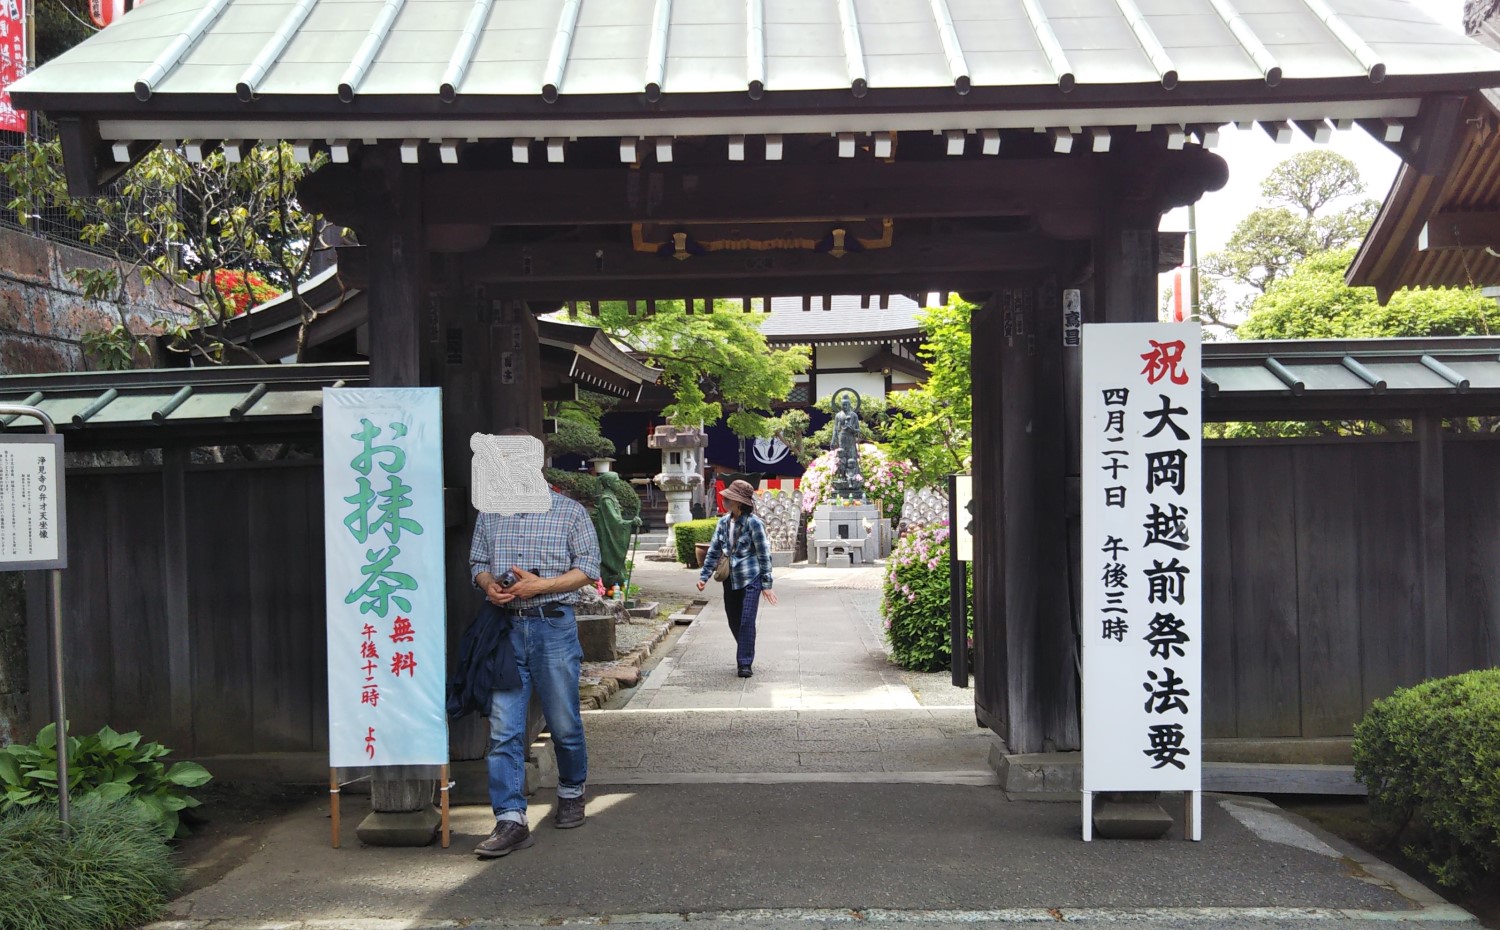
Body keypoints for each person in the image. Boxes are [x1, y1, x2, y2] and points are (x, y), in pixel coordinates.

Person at [468, 456, 601, 860]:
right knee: (503, 729)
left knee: (563, 720)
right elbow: (476, 564)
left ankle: (572, 790)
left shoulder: (570, 512)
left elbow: (589, 569)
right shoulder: (489, 514)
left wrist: (542, 585)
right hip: (505, 629)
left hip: (553, 626)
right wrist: (490, 585)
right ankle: (510, 818)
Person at [696, 479, 778, 677]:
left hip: (751, 578)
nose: (725, 500)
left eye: (729, 498)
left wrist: (766, 584)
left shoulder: (754, 523)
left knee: (746, 620)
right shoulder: (723, 522)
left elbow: (764, 554)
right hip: (729, 579)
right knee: (734, 620)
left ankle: (744, 663)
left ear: (739, 502)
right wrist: (704, 576)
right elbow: (714, 550)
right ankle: (746, 646)